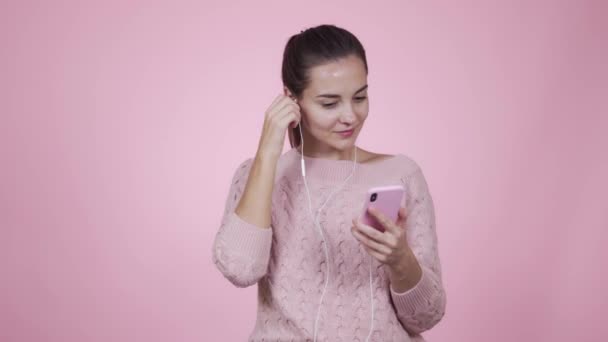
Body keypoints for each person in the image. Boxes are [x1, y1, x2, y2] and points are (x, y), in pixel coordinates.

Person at [211, 24, 446, 342]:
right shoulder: (259, 175)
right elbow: (240, 268)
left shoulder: (399, 174)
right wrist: (269, 148)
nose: (350, 116)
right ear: (291, 100)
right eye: (329, 103)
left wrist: (400, 259)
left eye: (360, 97)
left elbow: (426, 316)